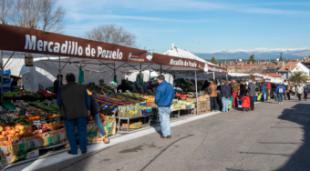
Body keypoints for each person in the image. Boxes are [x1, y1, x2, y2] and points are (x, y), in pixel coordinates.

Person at [58, 73, 89, 155]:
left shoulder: (62, 89)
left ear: (66, 80)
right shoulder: (82, 87)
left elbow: (59, 102)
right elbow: (87, 101)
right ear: (74, 79)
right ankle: (83, 149)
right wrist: (87, 109)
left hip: (68, 114)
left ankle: (74, 150)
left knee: (70, 132)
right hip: (81, 112)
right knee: (82, 131)